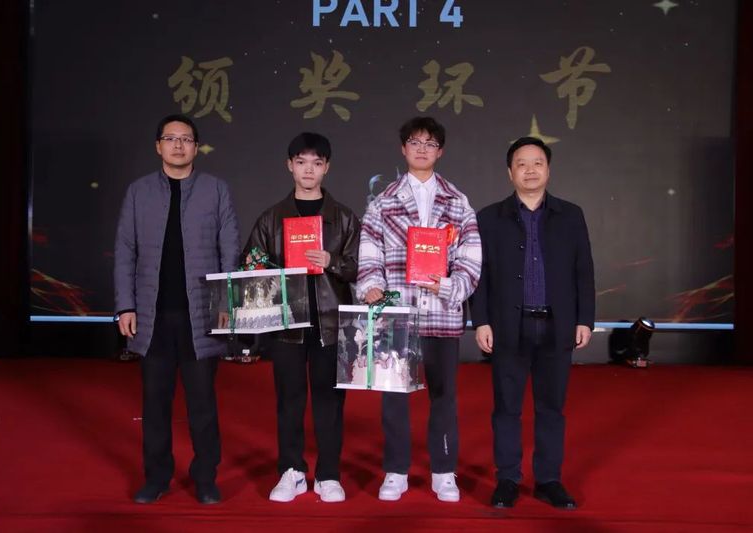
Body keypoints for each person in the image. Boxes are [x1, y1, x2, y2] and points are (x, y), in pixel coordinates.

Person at [114, 114, 240, 504]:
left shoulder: (215, 190)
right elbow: (125, 250)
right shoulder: (138, 192)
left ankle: (205, 479)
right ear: (158, 146)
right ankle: (156, 478)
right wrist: (125, 305)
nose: (178, 145)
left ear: (196, 147)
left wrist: (226, 301)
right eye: (170, 138)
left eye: (186, 139)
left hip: (200, 315)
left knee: (203, 404)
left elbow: (229, 249)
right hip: (152, 316)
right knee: (155, 404)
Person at [357, 116, 482, 502]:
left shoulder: (458, 202)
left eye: (430, 143)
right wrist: (372, 286)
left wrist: (448, 286)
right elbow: (369, 253)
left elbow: (471, 258)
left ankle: (444, 472)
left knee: (443, 397)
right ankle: (395, 471)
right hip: (399, 314)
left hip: (442, 314)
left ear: (440, 151)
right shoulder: (383, 202)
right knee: (394, 398)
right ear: (403, 149)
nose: (422, 149)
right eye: (415, 142)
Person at [470, 136, 595, 509]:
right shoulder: (488, 218)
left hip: (557, 326)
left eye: (537, 162)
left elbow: (583, 270)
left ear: (548, 170)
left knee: (551, 408)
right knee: (506, 408)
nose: (529, 170)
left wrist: (584, 319)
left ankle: (549, 480)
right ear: (510, 172)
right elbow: (480, 275)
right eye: (521, 164)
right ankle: (507, 478)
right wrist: (481, 321)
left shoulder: (571, 215)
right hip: (508, 326)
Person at [243, 132, 360, 503]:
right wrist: (269, 270)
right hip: (286, 323)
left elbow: (361, 267)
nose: (309, 170)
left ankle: (328, 475)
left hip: (331, 322)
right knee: (289, 400)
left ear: (327, 168)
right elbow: (250, 265)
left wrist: (332, 261)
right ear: (289, 166)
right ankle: (291, 471)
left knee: (330, 402)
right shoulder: (271, 218)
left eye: (317, 163)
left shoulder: (343, 217)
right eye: (301, 162)